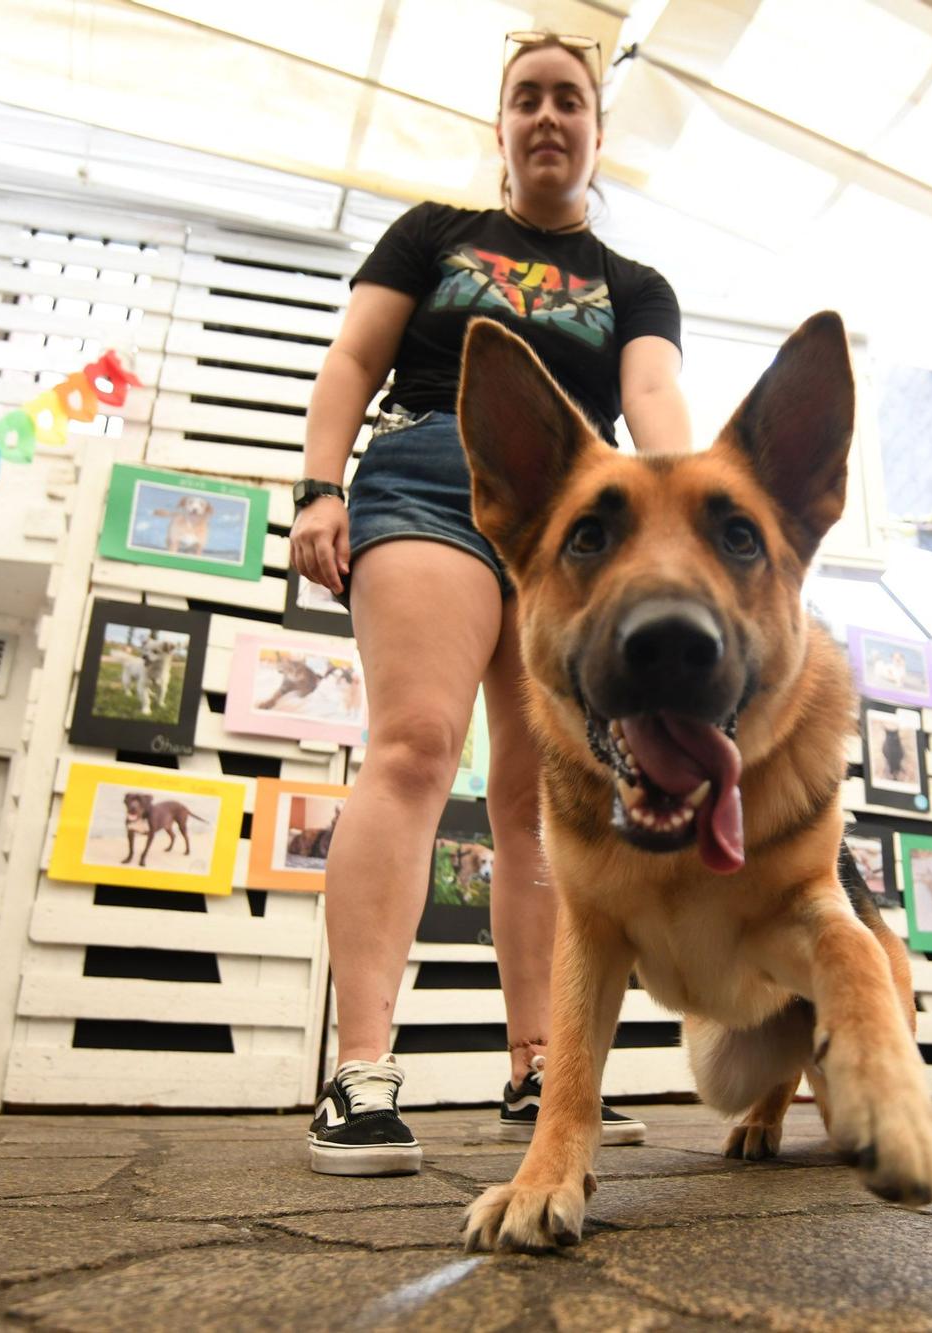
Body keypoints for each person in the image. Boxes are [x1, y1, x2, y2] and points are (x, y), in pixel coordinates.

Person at [292, 31, 693, 1176]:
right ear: (503, 126)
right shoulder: (433, 233)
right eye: (527, 99)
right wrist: (320, 486)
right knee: (417, 748)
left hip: (574, 524)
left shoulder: (633, 283)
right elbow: (351, 361)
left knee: (542, 801)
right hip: (425, 472)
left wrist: (697, 523)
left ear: (597, 133)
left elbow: (653, 398)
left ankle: (540, 1069)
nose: (548, 116)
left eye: (570, 99)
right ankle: (359, 1072)